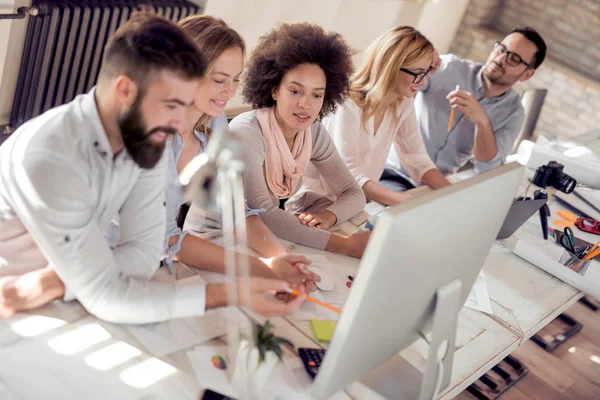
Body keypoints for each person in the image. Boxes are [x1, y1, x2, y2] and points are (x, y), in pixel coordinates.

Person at [0, 12, 305, 321]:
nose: (178, 124)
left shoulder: (146, 135)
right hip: (19, 311)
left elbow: (145, 255)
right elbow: (108, 292)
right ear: (126, 91)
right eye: (172, 104)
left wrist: (64, 281)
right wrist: (233, 293)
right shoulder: (53, 158)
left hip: (67, 294)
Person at [229, 23, 370, 258]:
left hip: (259, 240)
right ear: (274, 90)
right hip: (219, 241)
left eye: (317, 95)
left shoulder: (312, 132)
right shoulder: (246, 133)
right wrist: (344, 245)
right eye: (295, 91)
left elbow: (354, 193)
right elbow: (265, 214)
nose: (306, 104)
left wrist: (328, 216)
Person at [381, 26, 547, 191]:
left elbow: (488, 170)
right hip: (393, 170)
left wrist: (482, 121)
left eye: (514, 59)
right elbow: (395, 83)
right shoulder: (448, 67)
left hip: (433, 187)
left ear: (527, 75)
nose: (501, 58)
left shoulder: (513, 114)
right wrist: (420, 59)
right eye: (501, 49)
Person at [302, 26, 450, 208]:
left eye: (426, 73)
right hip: (316, 206)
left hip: (355, 206)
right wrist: (402, 202)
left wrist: (455, 193)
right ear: (392, 67)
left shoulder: (401, 103)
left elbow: (416, 157)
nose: (424, 81)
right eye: (419, 74)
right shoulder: (347, 102)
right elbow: (349, 174)